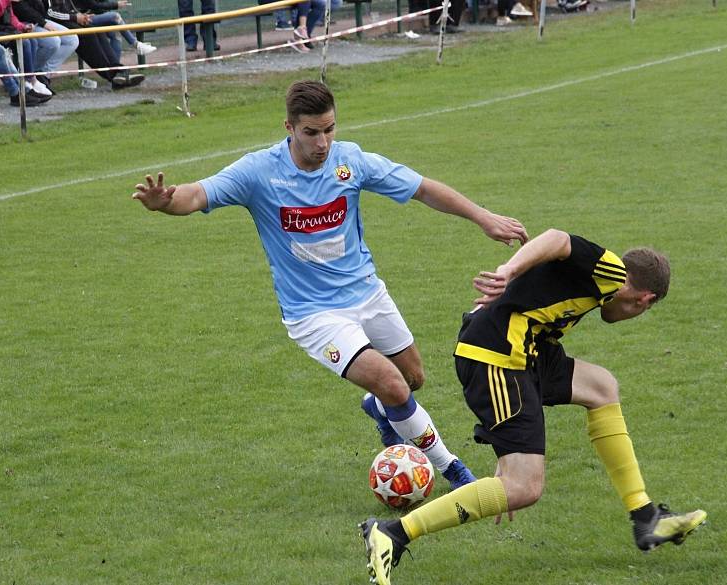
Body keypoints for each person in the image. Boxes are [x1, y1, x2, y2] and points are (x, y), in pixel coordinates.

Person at [131, 80, 528, 491]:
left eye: (330, 129)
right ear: (289, 126)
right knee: (392, 383)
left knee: (411, 379)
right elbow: (197, 194)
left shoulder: (349, 162)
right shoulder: (258, 172)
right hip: (313, 314)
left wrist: (483, 216)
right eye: (311, 132)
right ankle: (454, 472)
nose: (323, 142)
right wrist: (167, 203)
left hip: (367, 293)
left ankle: (380, 410)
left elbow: (422, 188)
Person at [360, 228, 708, 585]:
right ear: (644, 299)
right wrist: (507, 271)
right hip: (497, 357)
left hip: (528, 352)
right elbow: (558, 239)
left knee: (602, 387)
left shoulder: (597, 284)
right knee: (523, 487)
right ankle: (393, 533)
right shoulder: (613, 272)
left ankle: (645, 516)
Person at [47, 0, 145, 88]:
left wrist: (82, 16)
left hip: (70, 19)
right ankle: (113, 76)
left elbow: (71, 8)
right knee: (88, 36)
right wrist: (75, 17)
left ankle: (119, 70)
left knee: (96, 31)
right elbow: (50, 12)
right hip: (52, 23)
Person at [13, 0, 79, 93]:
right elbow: (21, 8)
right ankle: (28, 77)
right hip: (23, 21)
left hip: (40, 19)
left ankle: (42, 75)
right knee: (53, 42)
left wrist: (43, 21)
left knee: (72, 39)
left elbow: (47, 8)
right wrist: (44, 23)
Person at [71, 0, 156, 61]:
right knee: (115, 16)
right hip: (82, 19)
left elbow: (101, 4)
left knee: (115, 33)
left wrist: (116, 3)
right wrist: (116, 4)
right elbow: (94, 5)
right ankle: (135, 44)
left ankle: (115, 71)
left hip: (94, 16)